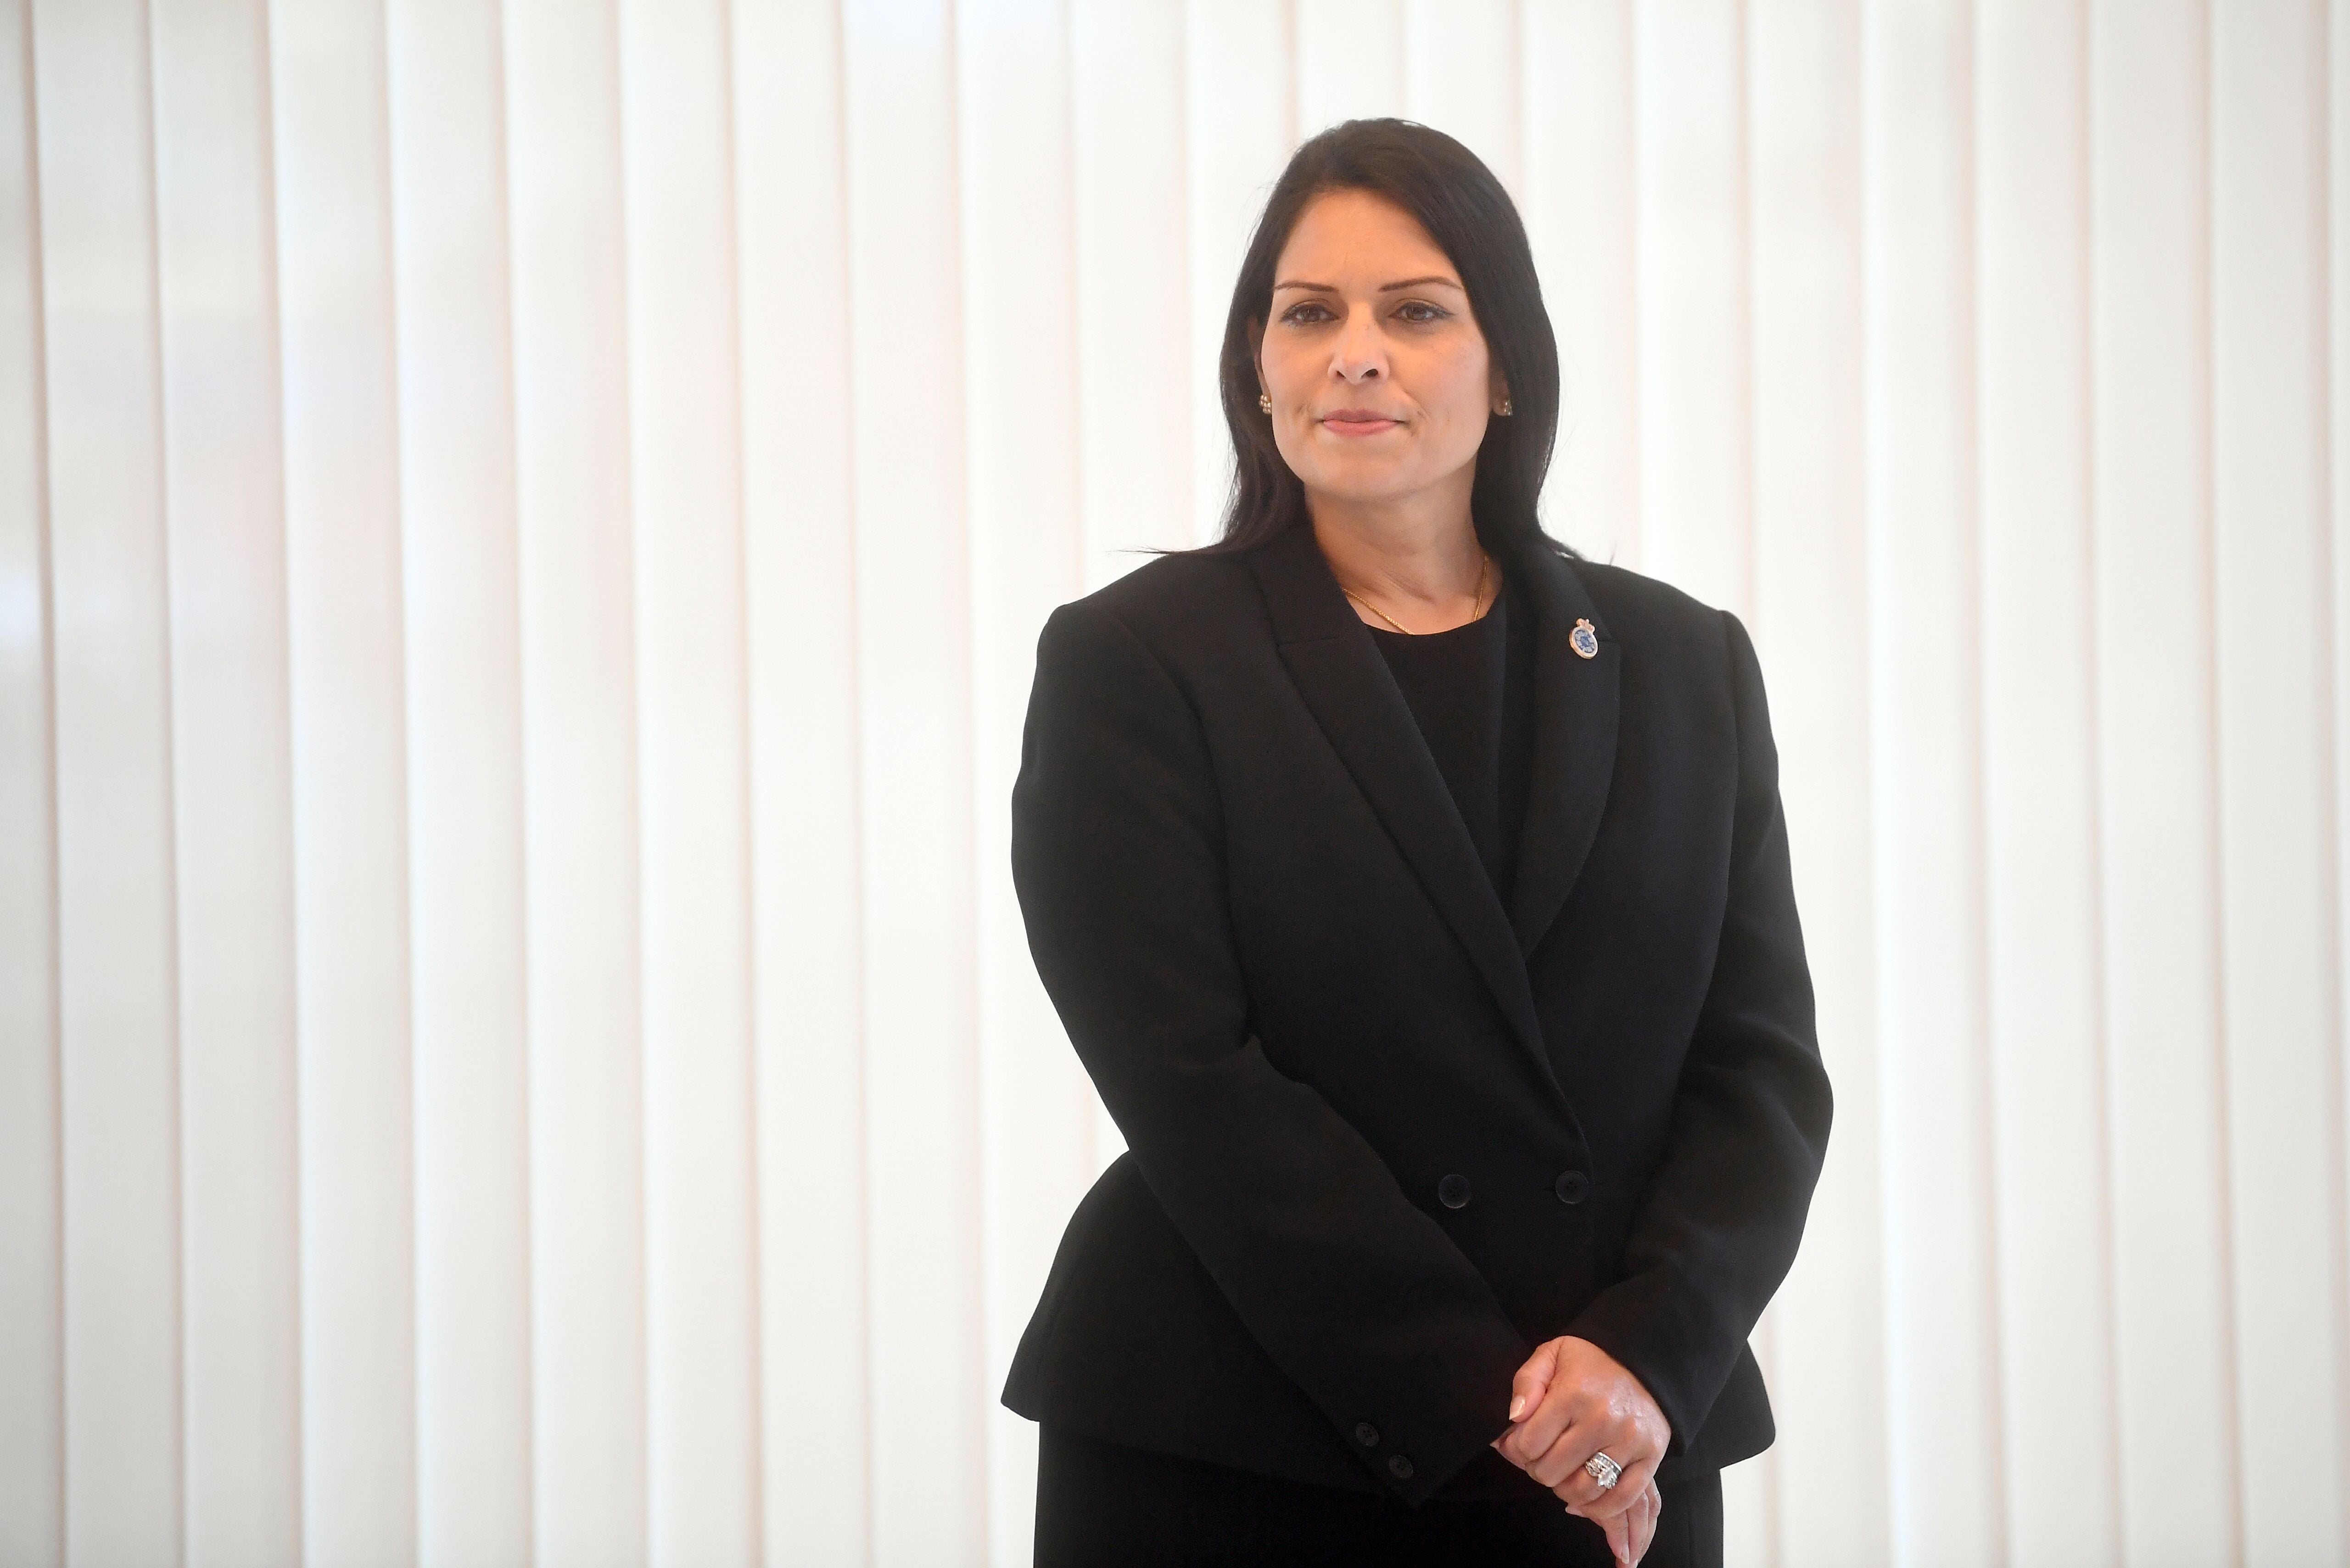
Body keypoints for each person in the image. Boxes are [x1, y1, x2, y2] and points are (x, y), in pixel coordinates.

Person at [1003, 118, 1830, 1568]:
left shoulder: (1684, 662)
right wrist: (1500, 1401)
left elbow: (1758, 1069)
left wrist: (1646, 1358)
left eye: (1418, 310)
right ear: (1256, 367)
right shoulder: (1134, 663)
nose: (1356, 352)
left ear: (1507, 367)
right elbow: (1192, 1080)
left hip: (1618, 1427)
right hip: (1242, 1443)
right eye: (1308, 312)